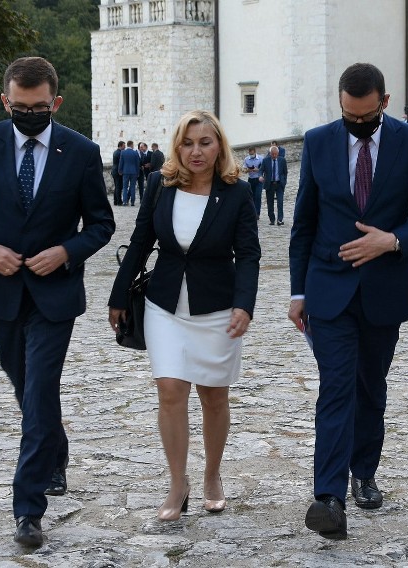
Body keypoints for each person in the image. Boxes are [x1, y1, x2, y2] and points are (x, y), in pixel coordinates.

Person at [0, 56, 115, 547]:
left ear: (55, 102)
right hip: (0, 294)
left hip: (55, 297)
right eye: (20, 107)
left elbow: (101, 223)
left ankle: (28, 508)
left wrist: (65, 252)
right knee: (26, 387)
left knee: (38, 393)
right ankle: (54, 451)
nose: (29, 114)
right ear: (5, 101)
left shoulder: (80, 152)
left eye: (39, 107)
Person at [288, 62, 408, 539]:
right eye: (348, 116)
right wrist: (298, 291)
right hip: (328, 291)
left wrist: (392, 240)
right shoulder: (317, 141)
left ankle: (364, 471)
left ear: (384, 102)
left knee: (370, 386)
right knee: (336, 386)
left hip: (384, 290)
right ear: (340, 105)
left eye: (365, 117)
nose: (357, 124)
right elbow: (304, 223)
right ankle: (329, 496)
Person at [108, 109, 260, 522]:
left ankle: (212, 475)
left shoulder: (237, 193)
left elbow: (248, 254)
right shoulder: (160, 185)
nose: (196, 151)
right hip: (165, 304)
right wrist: (118, 294)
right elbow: (140, 242)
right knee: (171, 391)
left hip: (218, 308)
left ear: (219, 147)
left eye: (205, 143)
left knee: (214, 395)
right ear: (177, 147)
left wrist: (245, 304)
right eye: (188, 143)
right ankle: (178, 482)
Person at [258, 145, 287, 225]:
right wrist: (260, 176)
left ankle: (280, 219)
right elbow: (261, 170)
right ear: (270, 153)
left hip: (279, 184)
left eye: (275, 154)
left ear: (278, 153)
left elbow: (285, 172)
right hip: (269, 184)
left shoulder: (282, 160)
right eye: (272, 154)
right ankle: (272, 219)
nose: (274, 155)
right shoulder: (265, 160)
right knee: (270, 203)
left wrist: (284, 182)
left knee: (280, 202)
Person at [243, 146, 264, 217]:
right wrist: (249, 170)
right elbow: (244, 170)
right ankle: (253, 212)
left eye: (252, 153)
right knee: (251, 197)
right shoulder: (246, 159)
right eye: (250, 153)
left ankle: (257, 213)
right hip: (251, 179)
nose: (251, 155)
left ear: (255, 152)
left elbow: (264, 169)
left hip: (258, 179)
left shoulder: (261, 158)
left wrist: (257, 170)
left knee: (258, 196)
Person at [119, 140, 140, 206]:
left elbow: (121, 162)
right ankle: (132, 202)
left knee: (125, 187)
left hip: (125, 171)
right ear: (131, 145)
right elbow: (137, 164)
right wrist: (138, 172)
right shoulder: (135, 153)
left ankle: (125, 201)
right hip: (134, 172)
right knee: (132, 187)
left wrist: (120, 170)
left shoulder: (123, 152)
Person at [112, 140, 125, 205]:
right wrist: (120, 171)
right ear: (121, 146)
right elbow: (120, 163)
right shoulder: (120, 153)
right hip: (118, 171)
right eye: (124, 145)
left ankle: (115, 200)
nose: (124, 147)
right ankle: (119, 201)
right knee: (119, 186)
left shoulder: (115, 152)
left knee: (117, 186)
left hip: (114, 170)